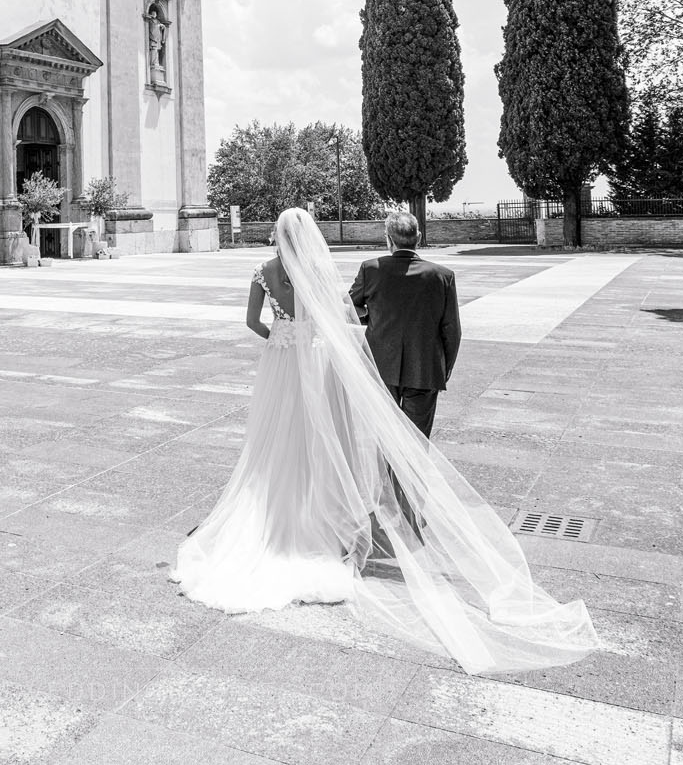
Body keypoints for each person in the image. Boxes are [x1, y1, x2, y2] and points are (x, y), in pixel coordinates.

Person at [171, 207, 598, 675]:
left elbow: (269, 320)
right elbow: (423, 329)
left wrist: (283, 335)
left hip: (292, 364)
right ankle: (393, 516)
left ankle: (316, 514)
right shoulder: (411, 274)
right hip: (370, 370)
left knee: (277, 443)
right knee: (366, 443)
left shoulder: (299, 271)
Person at [349, 211, 459, 438]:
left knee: (385, 437)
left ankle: (388, 475)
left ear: (388, 239)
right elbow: (452, 330)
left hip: (381, 364)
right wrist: (445, 367)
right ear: (418, 237)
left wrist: (371, 317)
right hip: (425, 366)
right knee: (416, 440)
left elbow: (350, 306)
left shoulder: (371, 269)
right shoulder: (443, 276)